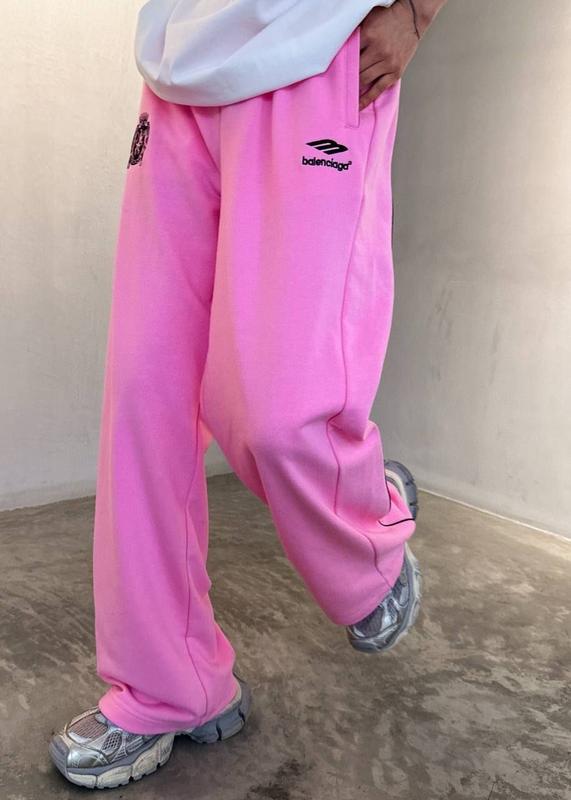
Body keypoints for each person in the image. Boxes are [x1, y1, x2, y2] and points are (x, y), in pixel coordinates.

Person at [49, 0, 446, 789]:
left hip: (315, 53)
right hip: (178, 68)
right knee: (145, 402)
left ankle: (365, 534)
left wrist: (414, 11)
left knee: (276, 409)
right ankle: (168, 684)